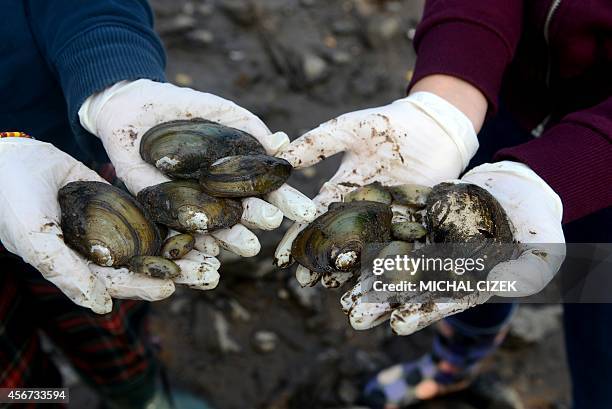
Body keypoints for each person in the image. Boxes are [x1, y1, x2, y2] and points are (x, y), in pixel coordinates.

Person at [275, 0, 612, 408]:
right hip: (504, 94)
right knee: (466, 272)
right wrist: (447, 102)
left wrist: (571, 168)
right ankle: (456, 360)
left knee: (599, 331)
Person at [0, 0, 314, 407]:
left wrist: (111, 84)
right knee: (16, 385)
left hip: (65, 169)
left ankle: (140, 397)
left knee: (109, 316)